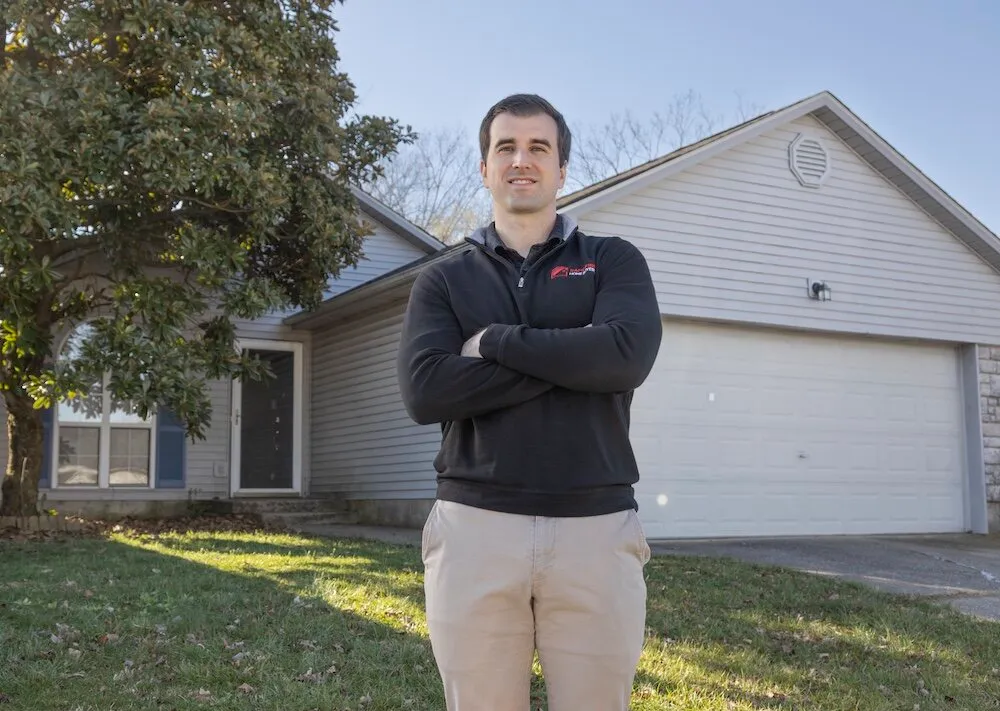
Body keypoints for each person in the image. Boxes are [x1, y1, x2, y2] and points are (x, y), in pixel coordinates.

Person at [396, 93, 663, 711]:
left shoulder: (611, 260)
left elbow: (628, 357)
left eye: (539, 147)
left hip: (595, 528)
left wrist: (493, 342)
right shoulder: (444, 279)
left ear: (561, 169)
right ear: (485, 167)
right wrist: (577, 358)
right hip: (475, 527)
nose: (522, 160)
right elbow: (426, 391)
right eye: (506, 148)